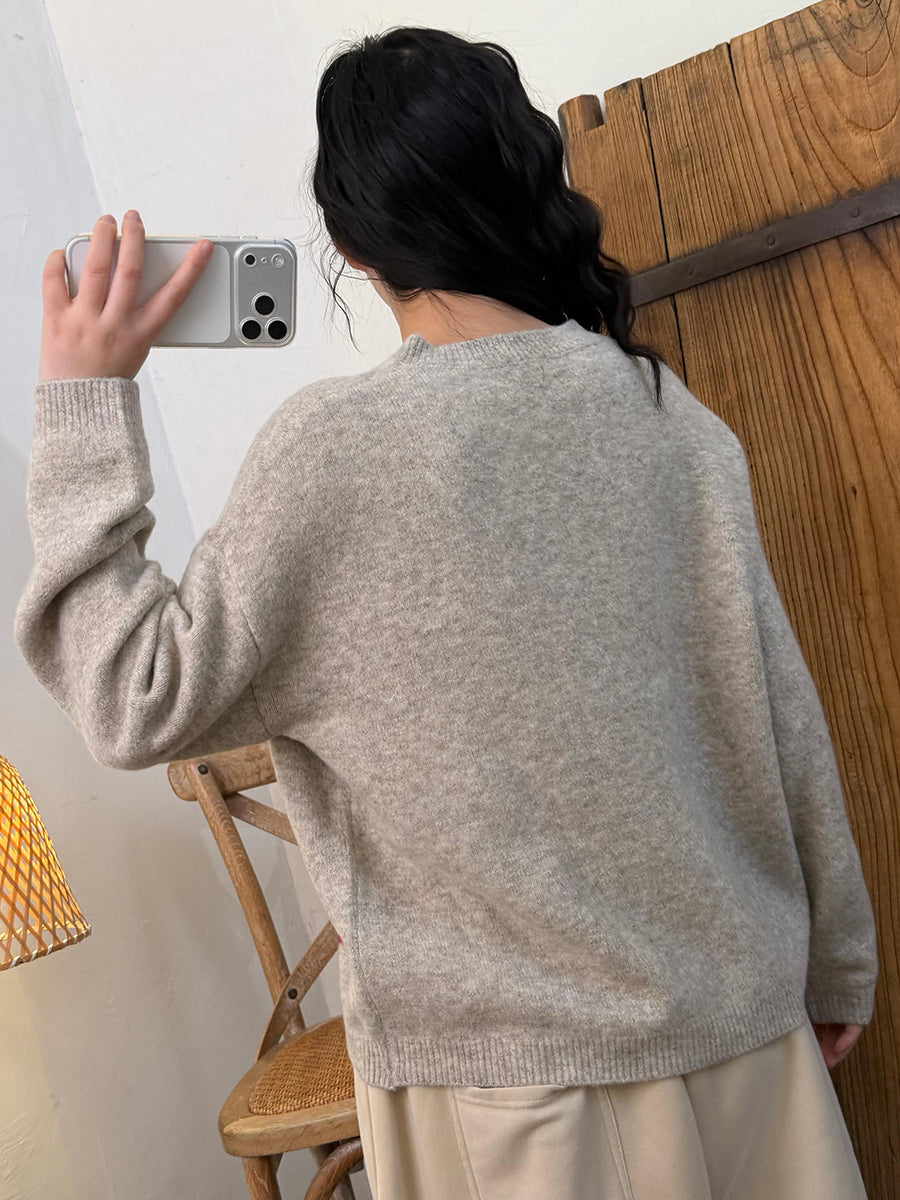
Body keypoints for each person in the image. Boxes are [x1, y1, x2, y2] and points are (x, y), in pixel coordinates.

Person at [16, 23, 877, 1200]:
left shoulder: (334, 454)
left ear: (351, 244)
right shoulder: (671, 420)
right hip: (749, 1058)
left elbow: (131, 697)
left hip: (517, 1108)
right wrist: (837, 963)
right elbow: (780, 716)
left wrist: (81, 401)